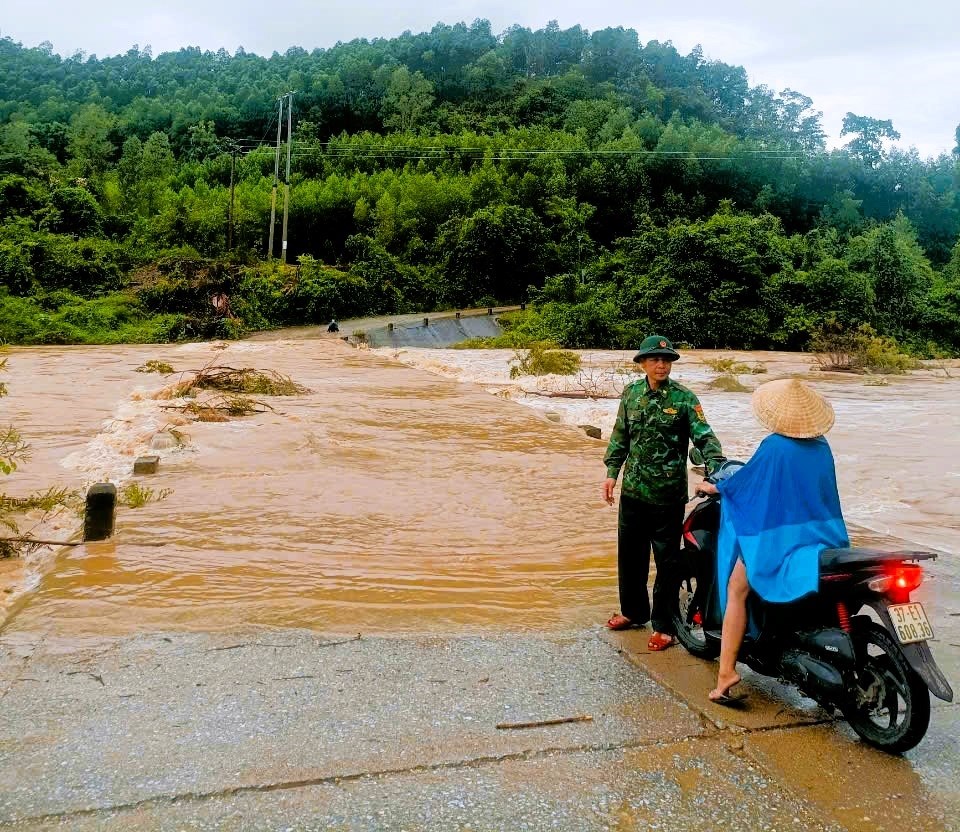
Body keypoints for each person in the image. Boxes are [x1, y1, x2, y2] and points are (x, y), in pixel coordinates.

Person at [697, 378, 849, 703]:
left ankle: (725, 675)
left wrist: (717, 488)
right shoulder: (822, 445)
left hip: (784, 541)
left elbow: (748, 485)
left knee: (736, 588)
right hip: (824, 536)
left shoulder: (775, 446)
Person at [603, 335, 726, 650]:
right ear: (642, 363)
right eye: (655, 360)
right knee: (630, 558)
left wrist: (718, 469)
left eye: (666, 360)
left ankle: (664, 625)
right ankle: (633, 612)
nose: (661, 365)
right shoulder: (630, 395)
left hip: (667, 496)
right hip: (633, 492)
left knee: (668, 562)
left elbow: (704, 437)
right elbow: (620, 437)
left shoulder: (684, 399)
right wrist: (611, 474)